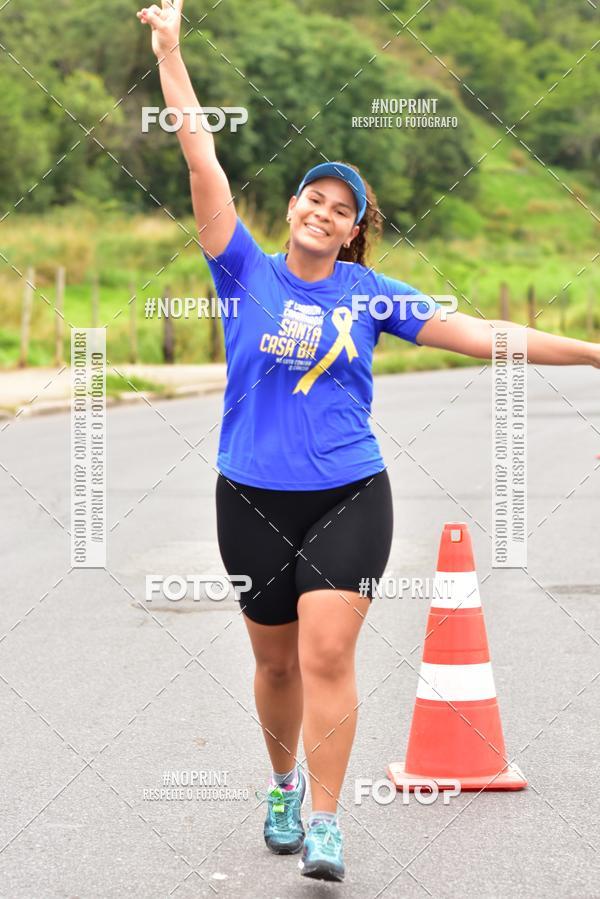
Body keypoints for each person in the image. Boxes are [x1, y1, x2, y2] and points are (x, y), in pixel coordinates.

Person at [138, 1, 600, 883]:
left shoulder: (372, 293)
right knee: (274, 662)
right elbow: (200, 153)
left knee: (326, 651)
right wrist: (171, 50)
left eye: (341, 207)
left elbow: (482, 331)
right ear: (290, 210)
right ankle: (281, 783)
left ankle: (323, 819)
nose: (323, 210)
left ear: (355, 229)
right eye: (313, 196)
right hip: (250, 494)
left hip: (351, 492)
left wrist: (591, 353)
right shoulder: (241, 269)